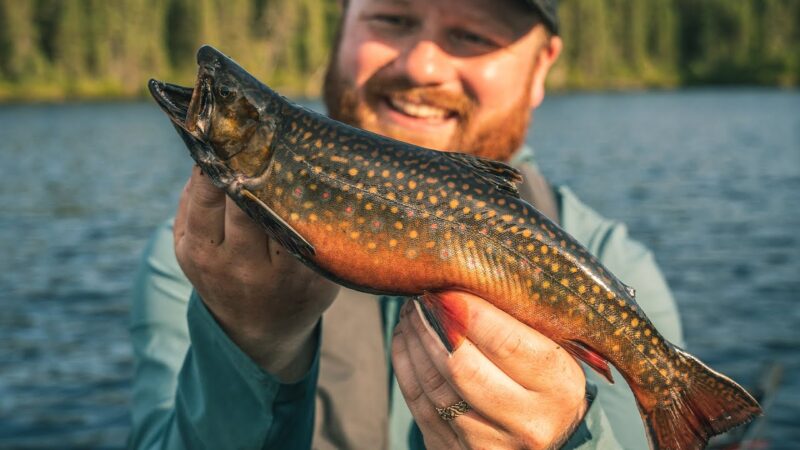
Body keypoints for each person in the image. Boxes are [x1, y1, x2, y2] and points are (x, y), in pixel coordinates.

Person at [129, 0, 683, 448]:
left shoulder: (615, 260)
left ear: (543, 66)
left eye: (472, 35)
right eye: (392, 19)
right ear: (340, 26)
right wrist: (248, 344)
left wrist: (571, 441)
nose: (422, 65)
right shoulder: (205, 254)